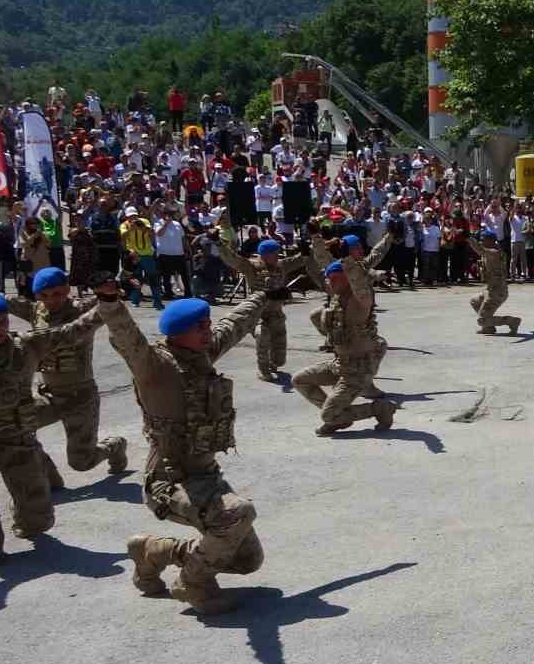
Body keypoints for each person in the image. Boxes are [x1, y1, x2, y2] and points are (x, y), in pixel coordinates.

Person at [96, 285, 282, 614]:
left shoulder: (202, 353)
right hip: (169, 481)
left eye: (208, 325)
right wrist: (110, 302)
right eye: (201, 328)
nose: (209, 331)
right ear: (178, 333)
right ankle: (193, 584)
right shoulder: (153, 366)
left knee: (247, 558)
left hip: (207, 477)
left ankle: (153, 551)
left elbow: (236, 322)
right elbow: (127, 337)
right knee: (239, 512)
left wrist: (264, 295)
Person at [0, 291, 105, 567]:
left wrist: (107, 307)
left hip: (18, 440)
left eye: (3, 321)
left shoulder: (25, 347)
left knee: (39, 523)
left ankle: (24, 514)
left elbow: (69, 332)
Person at [0, 266, 127, 489]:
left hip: (80, 397)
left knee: (81, 462)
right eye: (44, 295)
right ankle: (49, 478)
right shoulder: (34, 310)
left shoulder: (82, 308)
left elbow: (110, 305)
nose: (51, 300)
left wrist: (112, 293)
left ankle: (114, 446)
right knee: (16, 429)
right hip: (49, 395)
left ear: (67, 289)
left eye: (58, 294)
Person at [292, 258, 399, 436]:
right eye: (328, 278)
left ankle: (379, 409)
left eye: (334, 278)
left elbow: (359, 282)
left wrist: (348, 262)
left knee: (328, 415)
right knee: (299, 380)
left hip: (359, 370)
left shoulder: (360, 301)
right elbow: (318, 260)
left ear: (347, 278)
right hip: (340, 363)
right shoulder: (336, 298)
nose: (329, 282)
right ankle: (338, 416)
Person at [217, 230, 310, 381]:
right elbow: (233, 259)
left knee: (280, 356)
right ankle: (263, 369)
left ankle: (273, 364)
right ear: (265, 254)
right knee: (263, 336)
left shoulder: (281, 266)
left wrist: (305, 250)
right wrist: (219, 244)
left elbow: (299, 260)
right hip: (258, 314)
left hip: (276, 313)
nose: (277, 255)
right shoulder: (252, 267)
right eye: (275, 253)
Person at [470, 230, 521, 335]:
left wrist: (468, 238)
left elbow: (480, 250)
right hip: (490, 289)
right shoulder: (490, 251)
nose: (481, 242)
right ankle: (489, 328)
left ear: (491, 241)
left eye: (483, 240)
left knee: (481, 320)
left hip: (497, 293)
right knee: (474, 301)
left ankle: (512, 321)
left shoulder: (495, 252)